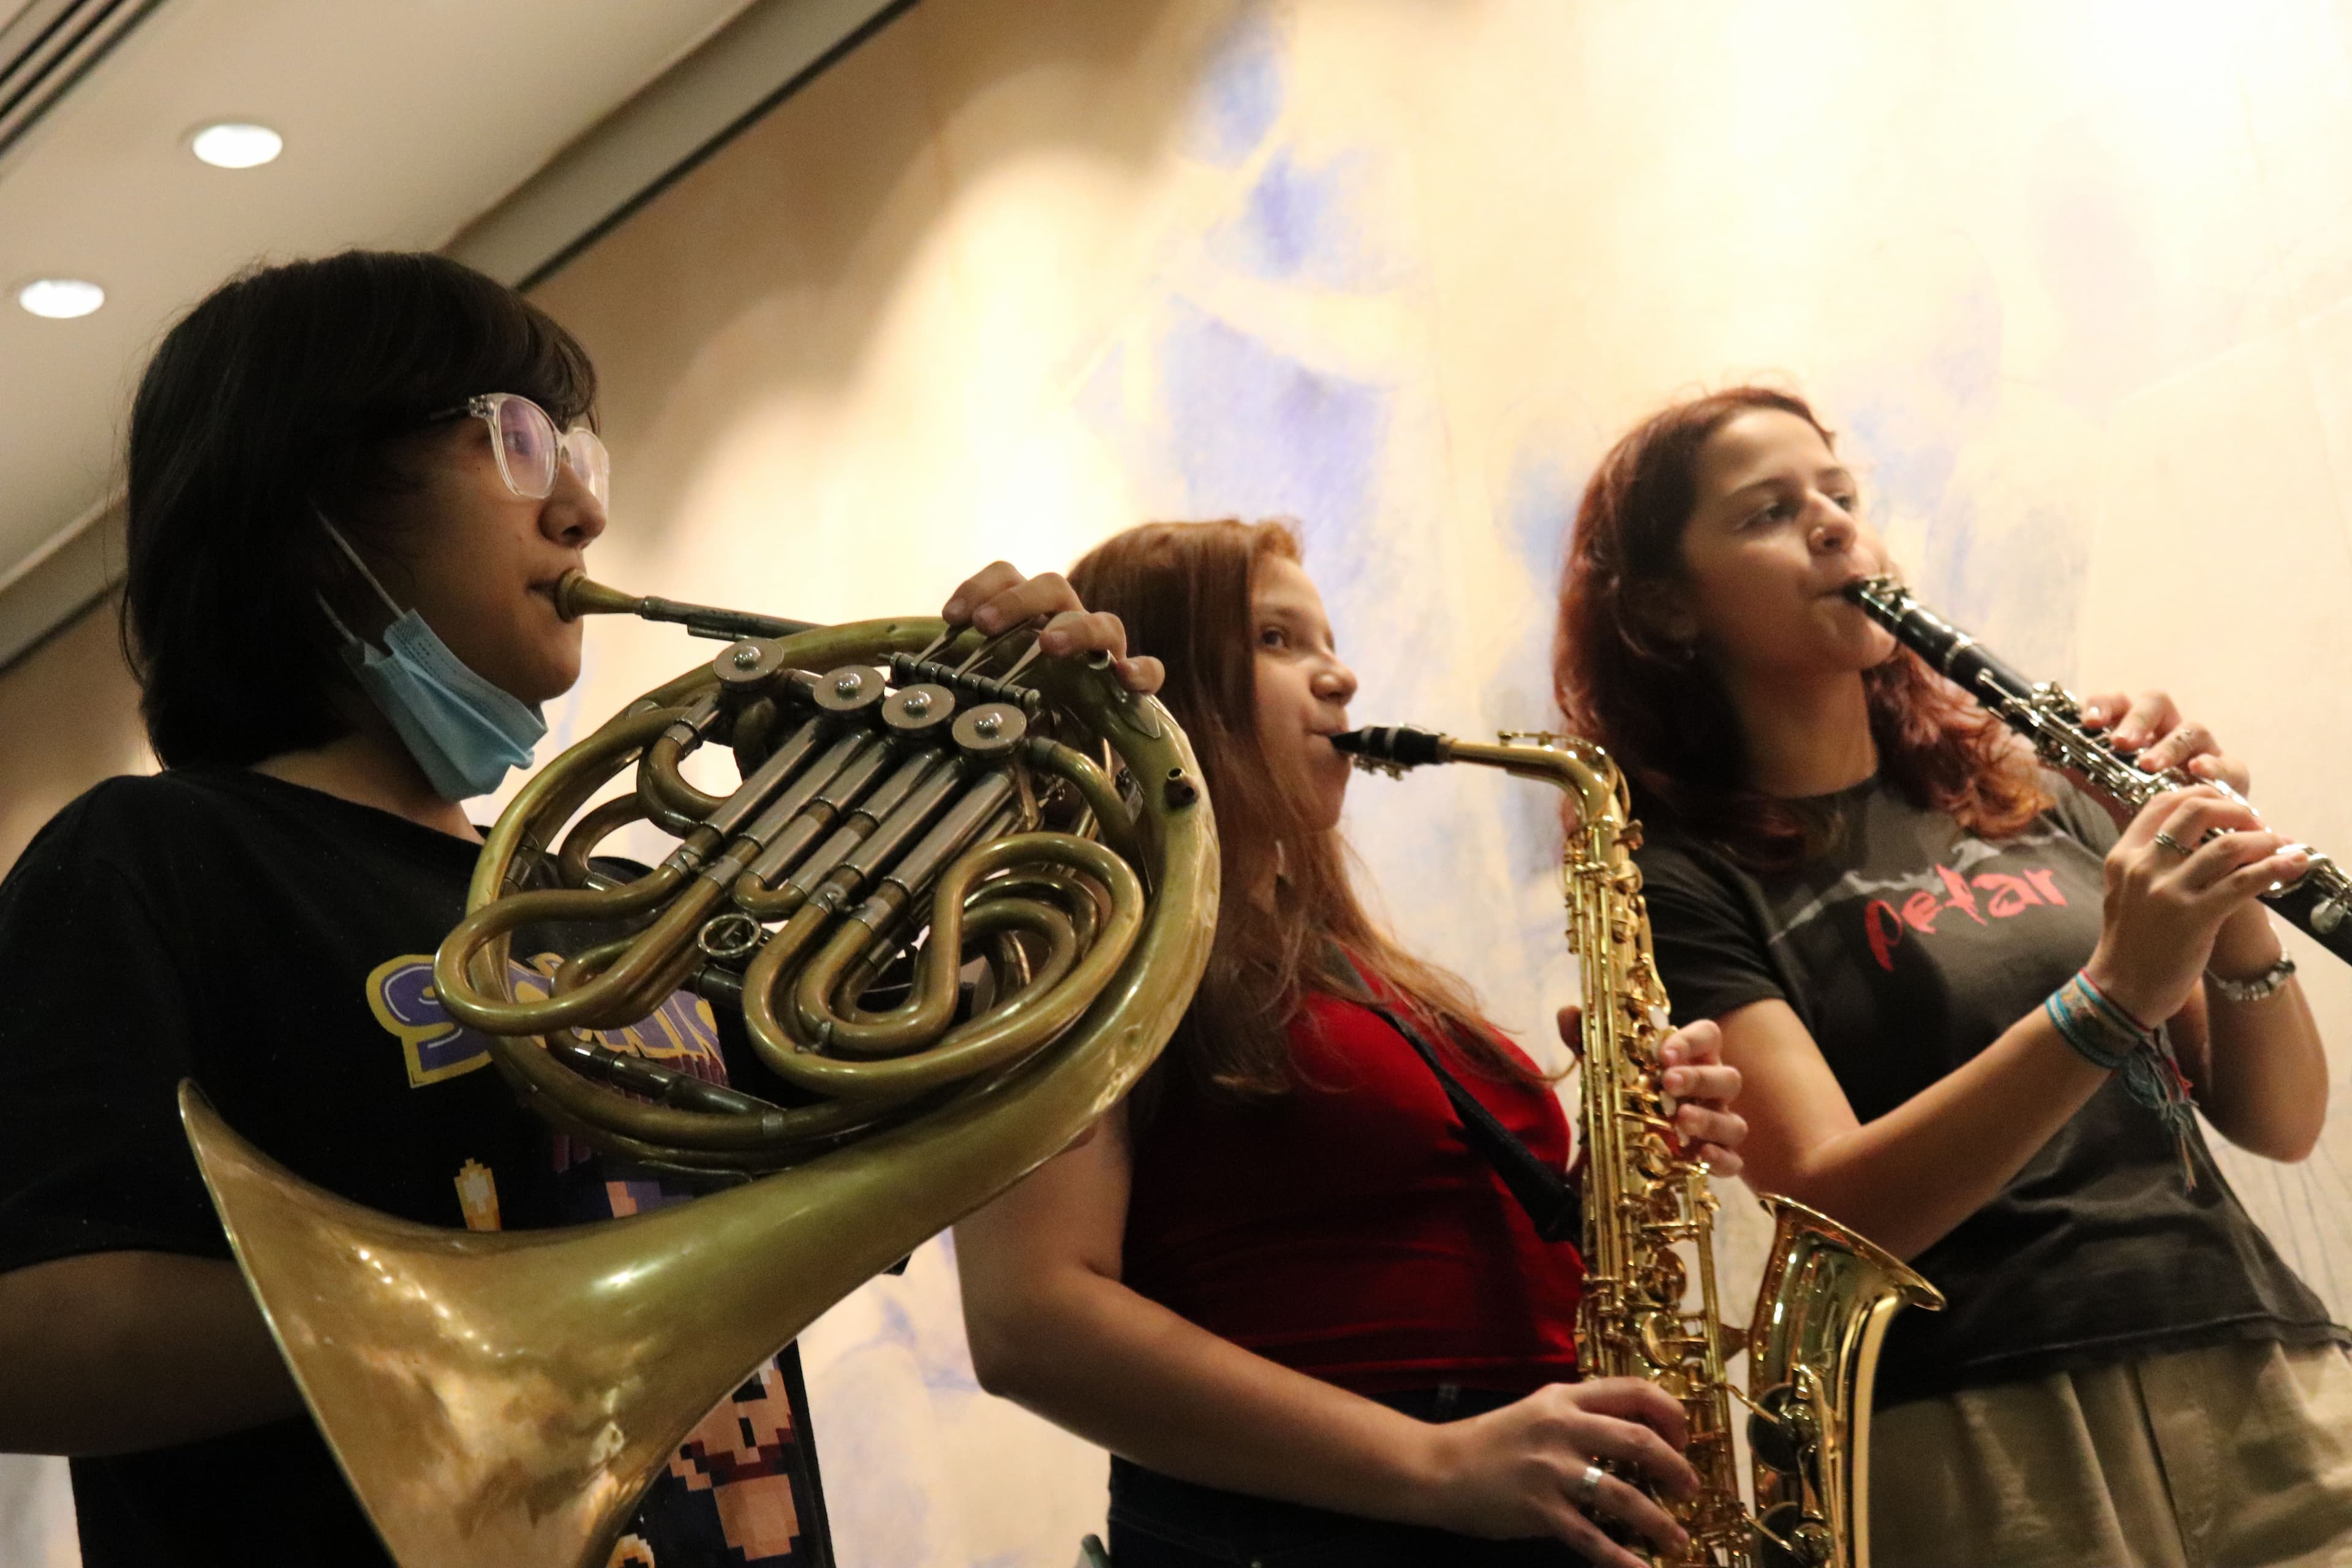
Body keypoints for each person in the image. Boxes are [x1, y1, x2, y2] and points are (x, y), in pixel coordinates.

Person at [0, 249, 1155, 1568]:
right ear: (305, 505)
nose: (579, 512)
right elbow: (28, 1327)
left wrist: (1005, 787)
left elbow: (922, 1153)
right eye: (515, 437)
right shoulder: (154, 858)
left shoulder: (614, 905)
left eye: (577, 451)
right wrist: (478, 1327)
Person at [1552, 385, 2352, 1567]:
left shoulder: (2027, 791)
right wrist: (2109, 996)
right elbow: (1832, 1207)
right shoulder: (1682, 878)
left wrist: (2224, 887)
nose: (1834, 527)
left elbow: (2278, 1121)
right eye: (1770, 512)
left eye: (1841, 496)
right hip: (1984, 1426)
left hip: (2247, 1353)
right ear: (1670, 608)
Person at [953, 519, 1752, 1568]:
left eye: (1325, 639)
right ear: (1156, 688)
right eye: (1278, 640)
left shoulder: (1352, 967)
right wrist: (1440, 1467)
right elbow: (1031, 1323)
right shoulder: (1073, 934)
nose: (1342, 677)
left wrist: (1632, 1164)